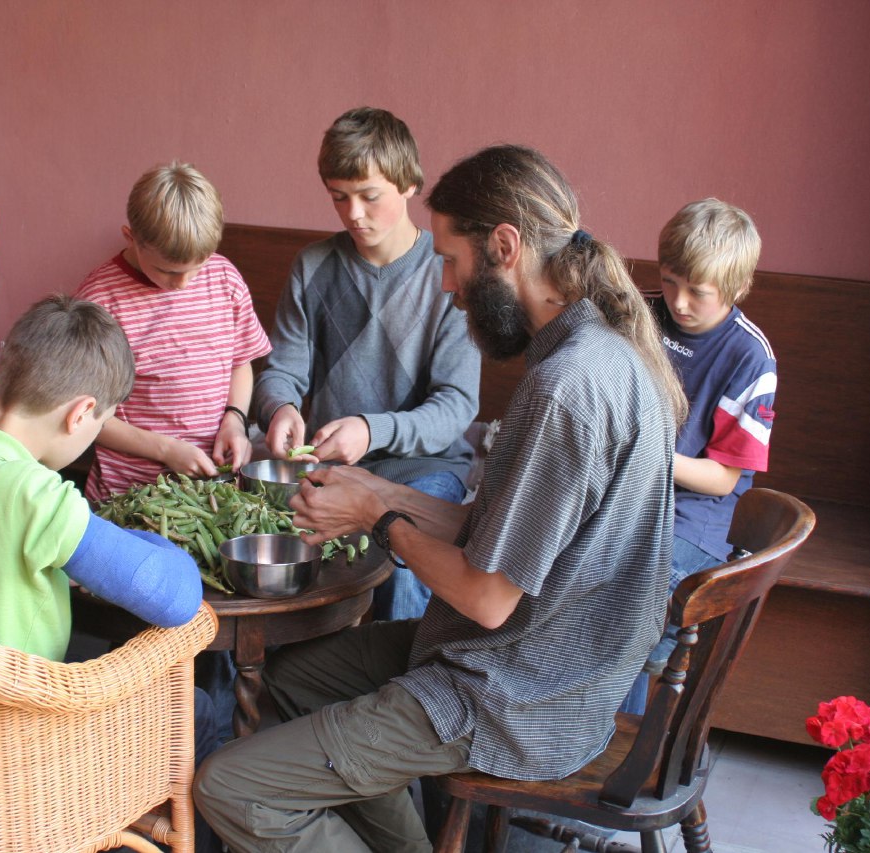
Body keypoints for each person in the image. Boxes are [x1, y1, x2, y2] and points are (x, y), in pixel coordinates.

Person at [195, 144, 687, 853]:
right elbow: (501, 531)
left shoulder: (567, 387)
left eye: (453, 261)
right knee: (294, 674)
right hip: (534, 662)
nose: (450, 286)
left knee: (227, 784)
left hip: (517, 694)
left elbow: (487, 597)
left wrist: (376, 515)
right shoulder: (604, 348)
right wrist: (378, 487)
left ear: (505, 247)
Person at [0, 294, 221, 853]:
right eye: (101, 422)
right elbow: (177, 597)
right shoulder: (36, 496)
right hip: (8, 758)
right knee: (197, 711)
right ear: (80, 413)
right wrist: (155, 541)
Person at [251, 107, 480, 621]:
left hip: (425, 470)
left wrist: (370, 432)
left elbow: (456, 407)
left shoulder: (447, 276)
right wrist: (280, 409)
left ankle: (394, 694)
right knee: (267, 547)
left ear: (408, 185)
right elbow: (282, 372)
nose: (353, 213)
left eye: (369, 196)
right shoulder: (312, 266)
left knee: (403, 565)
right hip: (329, 467)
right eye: (338, 197)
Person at [622, 198, 775, 714]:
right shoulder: (637, 311)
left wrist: (644, 454)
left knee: (627, 611)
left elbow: (723, 479)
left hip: (695, 521)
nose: (679, 302)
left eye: (698, 292)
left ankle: (606, 755)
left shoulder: (750, 356)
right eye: (669, 281)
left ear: (735, 289)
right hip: (623, 498)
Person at [74, 161, 272, 501]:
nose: (183, 284)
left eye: (197, 268)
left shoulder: (224, 278)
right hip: (129, 496)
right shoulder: (99, 302)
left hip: (214, 493)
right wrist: (165, 450)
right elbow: (83, 414)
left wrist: (235, 420)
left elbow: (240, 362)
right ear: (130, 238)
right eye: (167, 271)